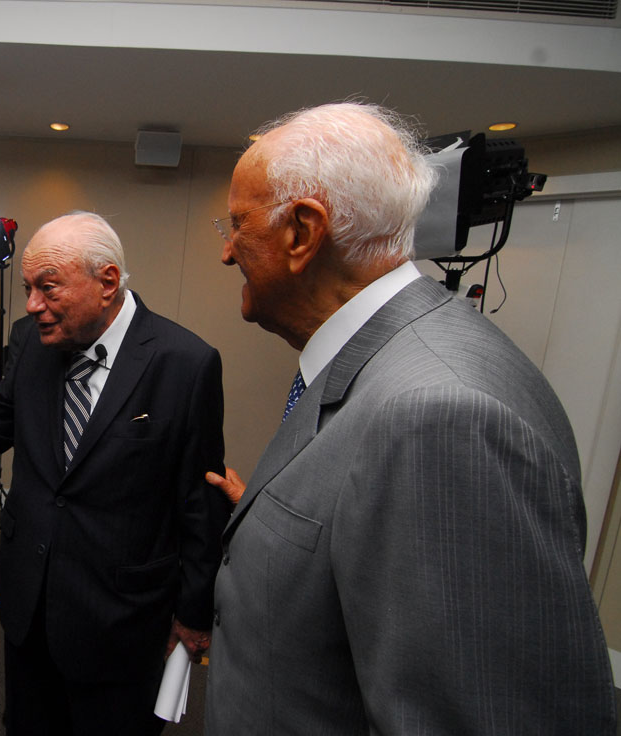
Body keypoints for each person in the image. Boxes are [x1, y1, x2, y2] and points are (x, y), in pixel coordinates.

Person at [203, 101, 616, 734]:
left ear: (303, 232)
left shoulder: (440, 416)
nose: (227, 252)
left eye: (238, 224)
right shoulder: (383, 362)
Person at [0, 211, 231, 735]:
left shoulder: (185, 363)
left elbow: (199, 501)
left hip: (122, 622)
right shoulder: (29, 341)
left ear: (107, 282)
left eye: (48, 287)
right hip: (30, 608)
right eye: (27, 288)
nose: (32, 305)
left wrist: (195, 612)